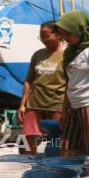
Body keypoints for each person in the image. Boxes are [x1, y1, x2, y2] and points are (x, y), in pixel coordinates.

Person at [56, 11, 89, 157]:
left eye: (67, 33)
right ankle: (79, 176)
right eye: (62, 34)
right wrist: (64, 111)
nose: (64, 38)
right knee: (65, 150)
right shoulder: (69, 52)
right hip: (74, 106)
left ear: (79, 30)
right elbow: (69, 83)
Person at [17, 21, 66, 154]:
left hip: (57, 104)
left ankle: (56, 170)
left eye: (46, 36)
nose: (43, 40)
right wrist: (22, 105)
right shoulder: (38, 54)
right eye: (41, 37)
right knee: (28, 141)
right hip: (34, 103)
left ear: (58, 34)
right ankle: (29, 166)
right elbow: (29, 80)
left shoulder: (67, 55)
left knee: (57, 141)